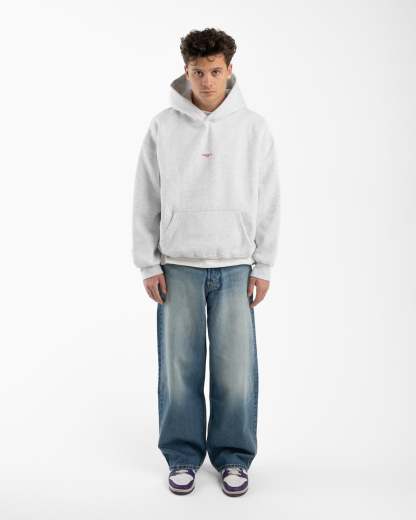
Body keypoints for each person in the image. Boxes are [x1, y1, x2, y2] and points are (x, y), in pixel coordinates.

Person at [131, 27, 280, 496]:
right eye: (198, 72)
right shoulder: (163, 126)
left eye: (215, 71)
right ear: (186, 70)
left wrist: (263, 265)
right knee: (180, 369)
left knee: (236, 370)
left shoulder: (253, 127)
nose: (207, 81)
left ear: (229, 69)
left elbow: (268, 198)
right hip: (177, 265)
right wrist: (148, 263)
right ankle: (182, 456)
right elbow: (146, 195)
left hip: (236, 265)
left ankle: (234, 457)